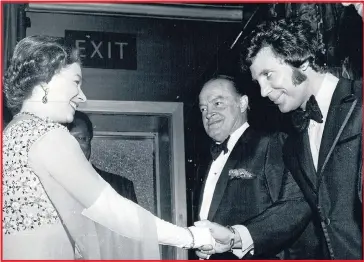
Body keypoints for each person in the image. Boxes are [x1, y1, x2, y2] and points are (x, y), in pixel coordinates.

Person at [2, 35, 215, 260]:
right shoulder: (47, 134)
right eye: (76, 82)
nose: (82, 96)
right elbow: (112, 210)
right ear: (47, 78)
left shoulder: (12, 133)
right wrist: (191, 237)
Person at [196, 18, 362, 259]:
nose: (263, 91)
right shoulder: (294, 141)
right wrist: (234, 237)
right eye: (258, 82)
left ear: (301, 60)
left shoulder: (360, 101)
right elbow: (295, 205)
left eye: (268, 74)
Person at [194, 75, 311, 259]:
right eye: (203, 108)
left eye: (217, 103)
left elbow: (293, 210)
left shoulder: (271, 144)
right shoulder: (205, 163)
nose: (208, 113)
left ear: (242, 103)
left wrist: (235, 237)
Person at [68, 111, 138, 203]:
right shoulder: (46, 188)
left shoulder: (122, 188)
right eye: (67, 139)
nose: (75, 145)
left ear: (89, 140)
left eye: (81, 138)